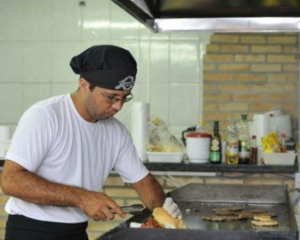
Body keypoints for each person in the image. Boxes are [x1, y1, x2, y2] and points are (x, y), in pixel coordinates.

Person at [0, 45, 182, 240]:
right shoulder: (46, 116)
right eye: (111, 97)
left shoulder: (116, 131)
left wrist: (163, 209)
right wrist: (82, 198)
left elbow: (142, 180)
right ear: (85, 85)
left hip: (77, 232)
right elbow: (11, 181)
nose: (118, 106)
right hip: (31, 232)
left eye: (124, 98)